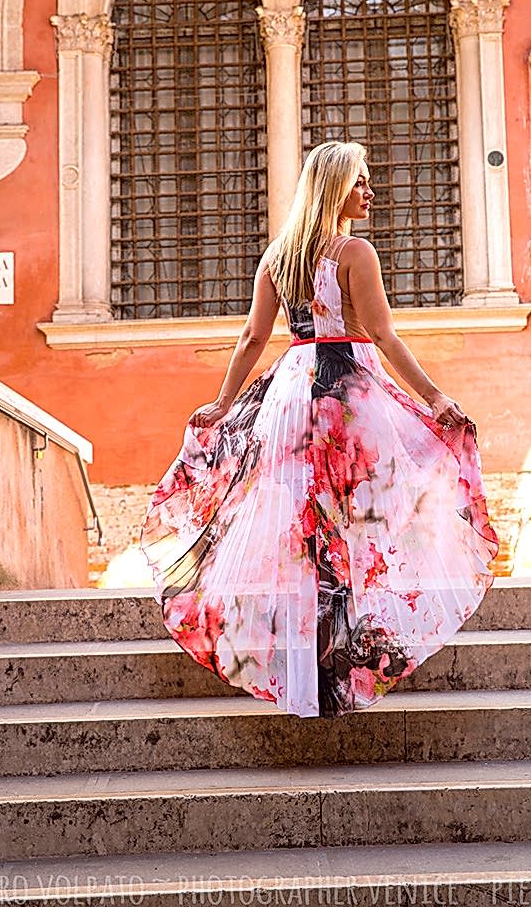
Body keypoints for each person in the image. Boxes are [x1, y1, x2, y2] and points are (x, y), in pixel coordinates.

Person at [140, 140, 499, 718]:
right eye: (360, 181)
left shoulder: (276, 256)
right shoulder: (356, 252)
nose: (370, 191)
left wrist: (222, 402)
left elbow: (253, 338)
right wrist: (433, 397)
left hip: (291, 393)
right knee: (359, 522)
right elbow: (382, 335)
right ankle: (341, 670)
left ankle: (310, 670)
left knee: (304, 528)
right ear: (335, 187)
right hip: (349, 393)